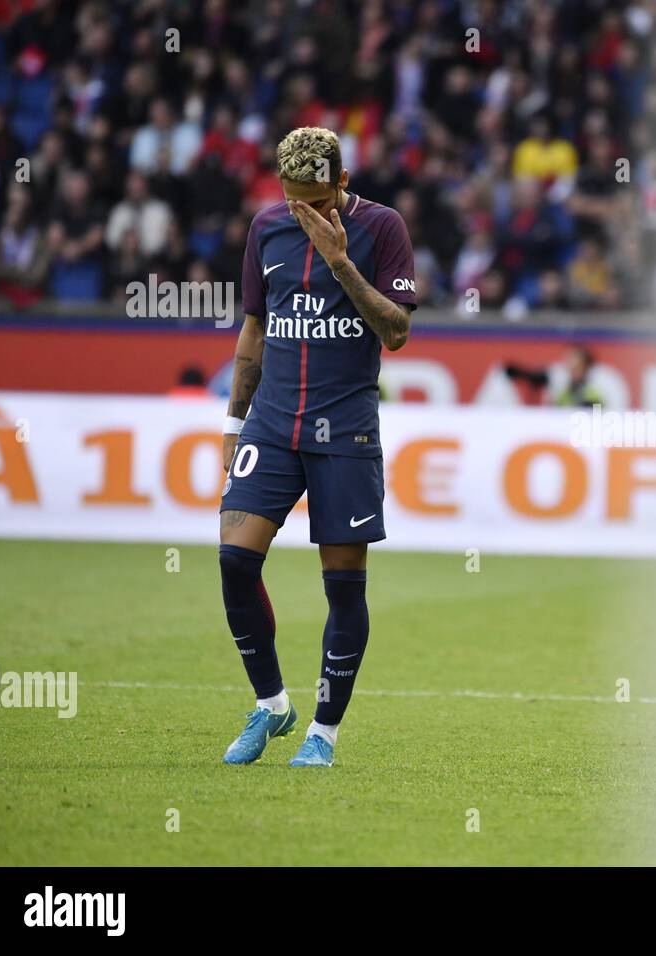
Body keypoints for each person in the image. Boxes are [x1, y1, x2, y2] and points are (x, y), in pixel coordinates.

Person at [217, 127, 415, 768]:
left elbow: (397, 331)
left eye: (318, 201)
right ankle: (272, 706)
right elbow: (254, 329)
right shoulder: (265, 229)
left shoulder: (383, 229)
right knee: (234, 561)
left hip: (345, 432)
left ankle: (322, 735)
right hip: (272, 426)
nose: (305, 213)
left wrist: (339, 260)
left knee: (343, 590)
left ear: (343, 183)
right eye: (294, 199)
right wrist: (231, 421)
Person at [505, 344, 605, 408]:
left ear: (583, 362)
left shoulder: (595, 384)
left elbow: (594, 410)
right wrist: (520, 372)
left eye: (573, 357)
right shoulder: (561, 379)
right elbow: (536, 378)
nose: (567, 360)